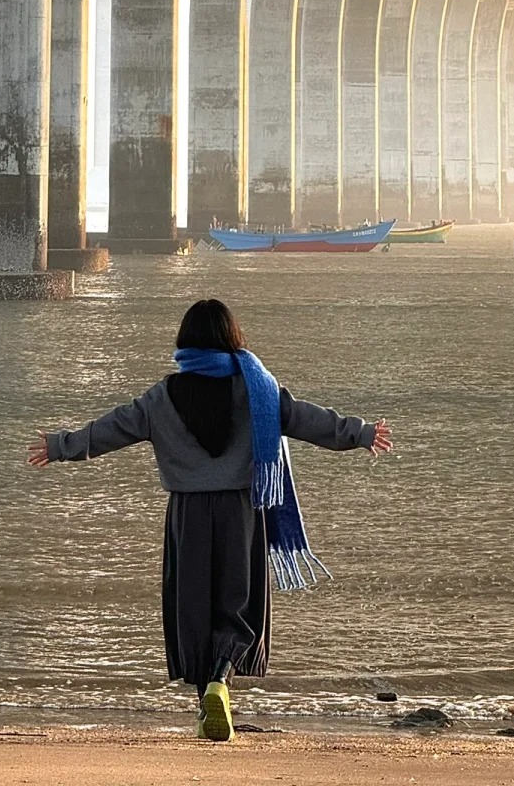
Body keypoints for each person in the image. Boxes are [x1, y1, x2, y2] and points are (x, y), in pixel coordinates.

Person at [28, 297, 392, 742]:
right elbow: (305, 418)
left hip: (188, 515)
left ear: (185, 343)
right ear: (232, 339)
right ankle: (221, 681)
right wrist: (362, 433)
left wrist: (61, 445)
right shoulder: (257, 391)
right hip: (241, 511)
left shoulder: (161, 398)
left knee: (194, 608)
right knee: (237, 607)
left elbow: (112, 428)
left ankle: (207, 702)